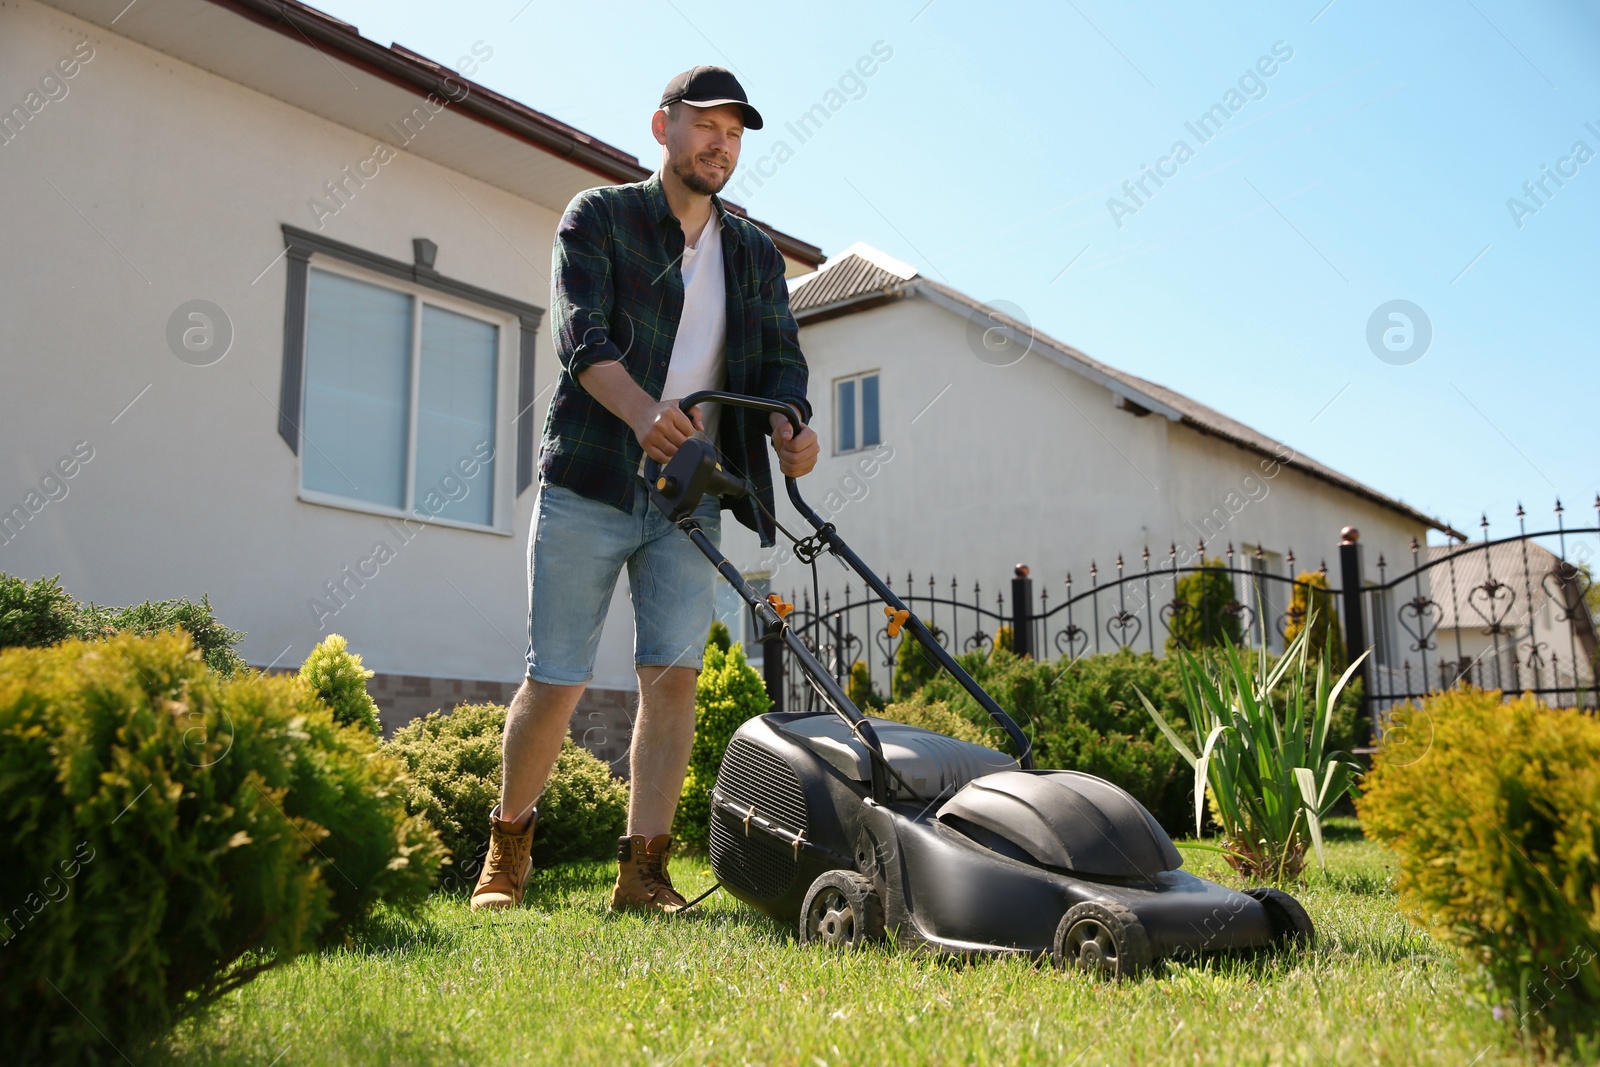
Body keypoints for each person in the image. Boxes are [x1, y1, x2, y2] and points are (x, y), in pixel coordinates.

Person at [471, 66, 820, 913]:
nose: (720, 144)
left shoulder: (752, 254)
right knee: (555, 677)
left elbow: (779, 361)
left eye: (734, 133)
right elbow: (578, 332)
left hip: (687, 498)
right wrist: (641, 412)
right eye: (706, 125)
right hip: (591, 476)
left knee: (673, 679)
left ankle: (643, 871)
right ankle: (506, 852)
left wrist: (792, 425)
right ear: (662, 127)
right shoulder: (599, 217)